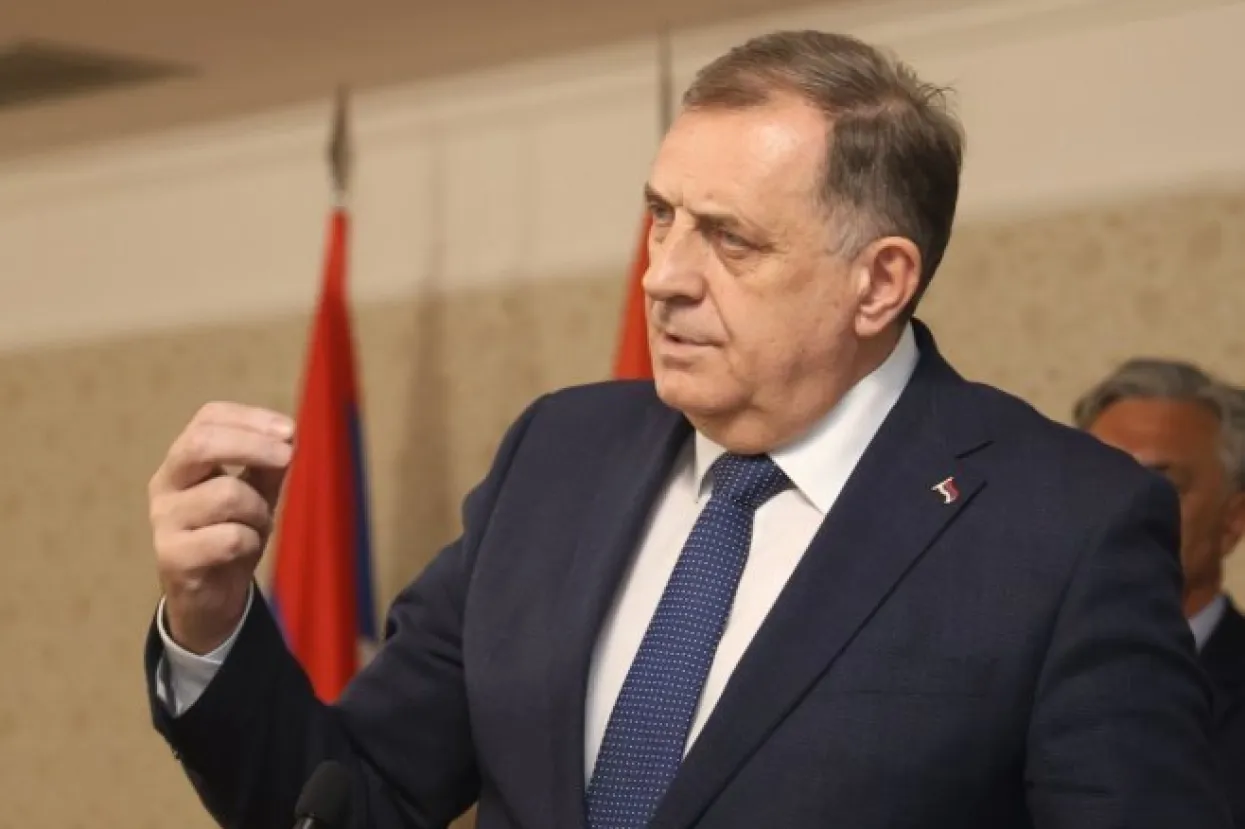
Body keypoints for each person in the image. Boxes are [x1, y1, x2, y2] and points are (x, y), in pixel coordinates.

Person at [143, 30, 1232, 829]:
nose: (662, 275)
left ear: (878, 281)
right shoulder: (554, 461)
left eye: (729, 239)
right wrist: (211, 618)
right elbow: (353, 796)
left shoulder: (1062, 524)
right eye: (660, 217)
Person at [1075, 359, 1245, 826]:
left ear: (1233, 520)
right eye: (1098, 479)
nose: (1120, 510)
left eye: (1160, 486)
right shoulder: (1002, 676)